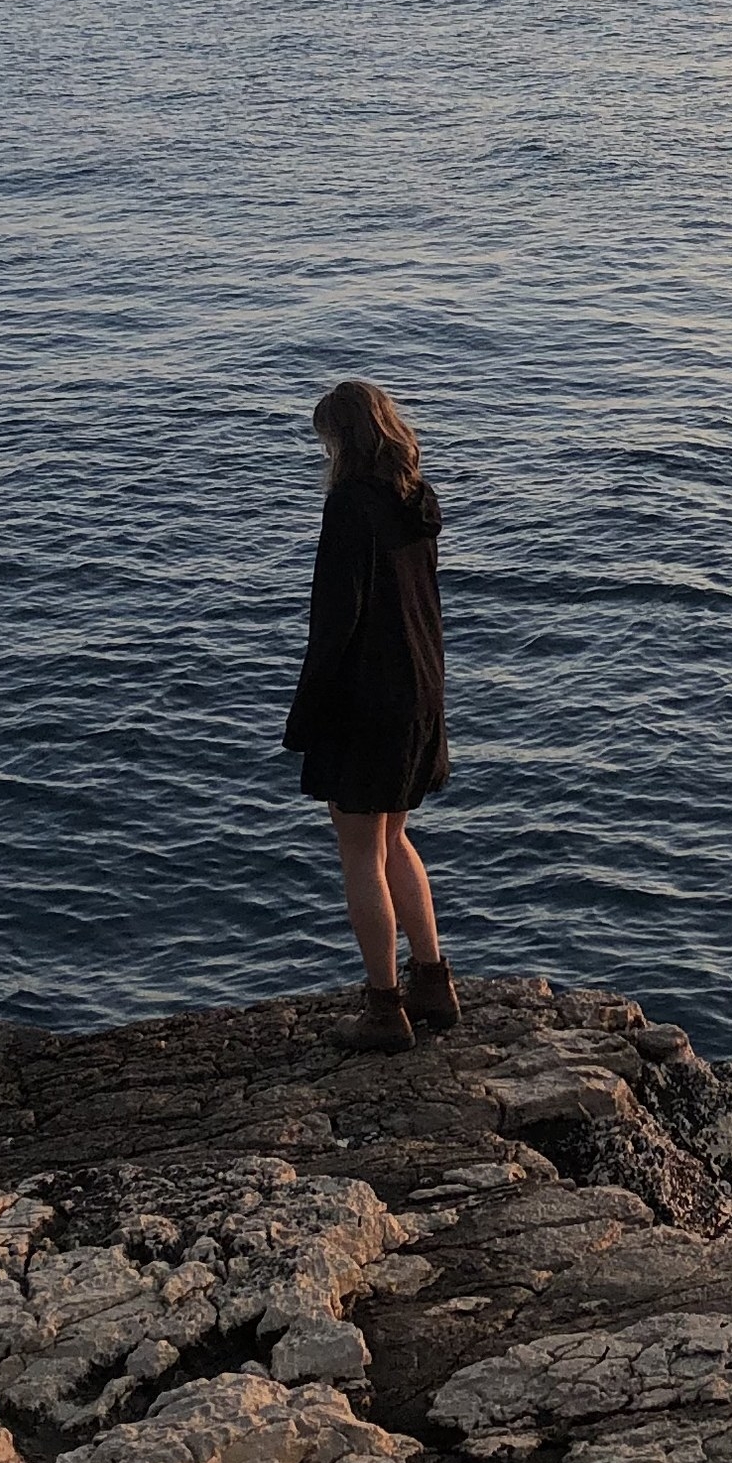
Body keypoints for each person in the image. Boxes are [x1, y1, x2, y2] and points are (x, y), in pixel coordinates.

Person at [284, 378, 458, 1044]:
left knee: (358, 849)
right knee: (393, 840)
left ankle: (385, 1010)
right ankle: (434, 984)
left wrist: (306, 714)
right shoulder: (415, 499)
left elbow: (336, 621)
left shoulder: (349, 508)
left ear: (342, 441)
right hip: (420, 690)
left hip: (366, 698)